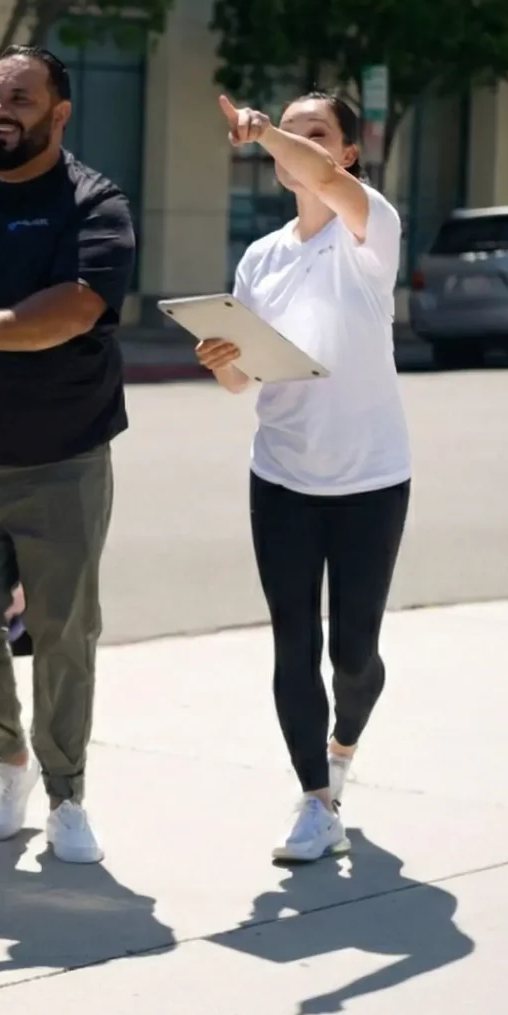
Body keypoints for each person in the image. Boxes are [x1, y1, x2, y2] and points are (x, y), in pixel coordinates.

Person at [0, 45, 137, 863]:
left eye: (20, 98)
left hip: (62, 457)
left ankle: (66, 791)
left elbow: (77, 308)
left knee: (63, 630)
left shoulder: (94, 202)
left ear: (60, 112)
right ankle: (6, 757)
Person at [196, 92, 411, 863]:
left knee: (354, 656)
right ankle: (316, 799)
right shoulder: (262, 257)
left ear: (346, 154)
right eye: (291, 129)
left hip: (371, 479)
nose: (299, 145)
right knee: (295, 641)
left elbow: (317, 171)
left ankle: (345, 741)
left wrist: (266, 131)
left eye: (315, 134)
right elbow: (241, 380)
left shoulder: (369, 230)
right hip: (282, 475)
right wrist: (225, 361)